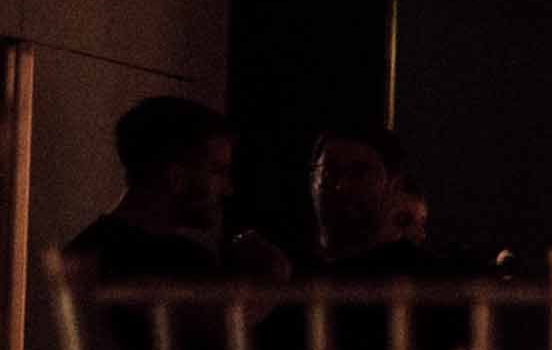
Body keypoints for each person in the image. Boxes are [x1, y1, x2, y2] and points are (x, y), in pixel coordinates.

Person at [60, 96, 283, 280]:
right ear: (176, 177)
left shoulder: (80, 253)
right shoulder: (180, 264)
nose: (228, 189)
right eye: (217, 170)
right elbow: (215, 318)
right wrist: (271, 277)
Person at [307, 126, 471, 277]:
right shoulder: (296, 272)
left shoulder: (426, 280)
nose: (341, 186)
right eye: (329, 173)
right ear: (313, 180)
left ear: (394, 184)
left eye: (359, 173)